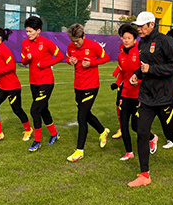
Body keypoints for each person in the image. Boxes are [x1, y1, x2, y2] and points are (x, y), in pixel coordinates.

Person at [127, 12, 173, 187]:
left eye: (141, 26)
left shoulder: (165, 41)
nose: (138, 29)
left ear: (152, 25)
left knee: (169, 132)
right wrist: (137, 74)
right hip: (146, 96)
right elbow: (144, 67)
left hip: (165, 97)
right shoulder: (142, 43)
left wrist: (151, 69)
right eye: (137, 26)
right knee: (141, 132)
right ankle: (144, 174)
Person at [65, 23, 111, 162]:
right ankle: (103, 131)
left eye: (77, 41)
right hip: (78, 85)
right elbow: (67, 57)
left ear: (83, 36)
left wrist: (91, 63)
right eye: (73, 41)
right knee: (86, 113)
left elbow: (106, 58)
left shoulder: (93, 45)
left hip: (91, 85)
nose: (75, 43)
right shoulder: (70, 46)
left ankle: (79, 150)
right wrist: (70, 61)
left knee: (81, 116)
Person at [21, 16, 64, 151]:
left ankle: (37, 141)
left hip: (46, 81)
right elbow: (23, 62)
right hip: (33, 82)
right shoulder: (25, 43)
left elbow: (60, 56)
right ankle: (54, 134)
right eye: (27, 31)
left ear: (38, 30)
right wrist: (27, 59)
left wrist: (45, 63)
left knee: (34, 110)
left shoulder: (46, 43)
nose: (28, 34)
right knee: (43, 109)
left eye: (30, 31)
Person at [0, 27, 32, 143]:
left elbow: (11, 66)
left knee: (17, 109)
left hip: (12, 86)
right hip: (2, 85)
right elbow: (2, 66)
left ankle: (28, 129)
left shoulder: (4, 50)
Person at [114, 24, 141, 161]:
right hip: (125, 94)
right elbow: (123, 74)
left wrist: (139, 81)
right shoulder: (121, 55)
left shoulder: (140, 52)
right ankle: (129, 152)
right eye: (124, 38)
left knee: (136, 126)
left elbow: (146, 73)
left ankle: (152, 137)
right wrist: (118, 84)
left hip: (138, 95)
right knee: (123, 125)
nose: (126, 40)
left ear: (135, 39)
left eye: (129, 38)